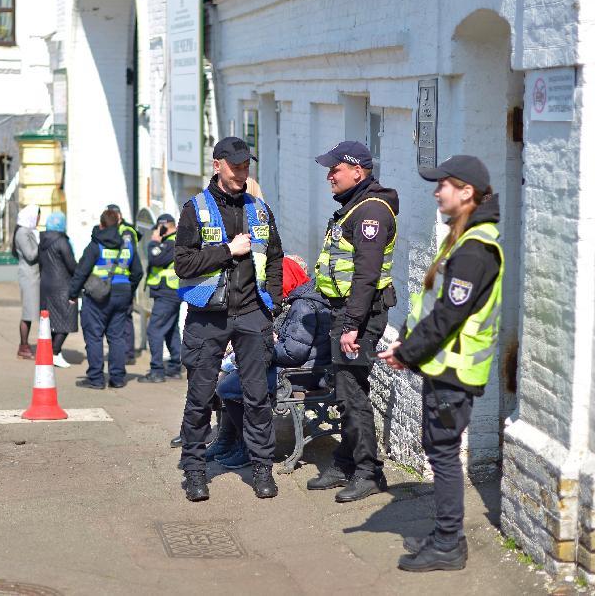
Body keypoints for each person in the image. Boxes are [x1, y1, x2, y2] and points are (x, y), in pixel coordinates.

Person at [378, 155, 503, 572]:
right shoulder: (464, 237)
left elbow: (449, 315)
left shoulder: (475, 249)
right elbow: (435, 308)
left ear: (466, 191)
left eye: (443, 184)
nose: (436, 191)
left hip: (456, 374)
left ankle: (449, 544)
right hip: (444, 368)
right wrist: (411, 352)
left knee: (444, 456)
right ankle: (444, 535)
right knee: (439, 452)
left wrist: (406, 352)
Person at [175, 136, 284, 502]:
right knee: (201, 398)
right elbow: (183, 264)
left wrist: (276, 301)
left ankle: (262, 469)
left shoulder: (259, 209)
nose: (242, 173)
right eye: (235, 166)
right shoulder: (196, 210)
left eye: (246, 167)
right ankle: (194, 472)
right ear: (217, 164)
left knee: (257, 397)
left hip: (253, 314)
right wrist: (227, 251)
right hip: (209, 315)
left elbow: (275, 257)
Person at [307, 141, 398, 503]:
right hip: (345, 311)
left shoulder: (371, 212)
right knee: (346, 392)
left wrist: (352, 325)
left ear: (357, 171)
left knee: (352, 394)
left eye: (336, 169)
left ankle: (368, 471)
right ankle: (346, 461)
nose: (330, 176)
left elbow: (366, 275)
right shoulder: (354, 207)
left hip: (359, 314)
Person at [209, 256, 331, 469]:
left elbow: (293, 353)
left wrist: (263, 346)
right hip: (301, 368)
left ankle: (250, 446)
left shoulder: (302, 305)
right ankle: (230, 441)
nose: (271, 288)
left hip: (299, 373)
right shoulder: (304, 298)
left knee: (228, 387)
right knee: (232, 375)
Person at [69, 209, 143, 389]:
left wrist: (72, 294)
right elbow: (138, 272)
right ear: (118, 224)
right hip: (122, 293)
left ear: (101, 224)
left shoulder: (96, 245)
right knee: (117, 338)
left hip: (97, 296)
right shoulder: (128, 245)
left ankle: (96, 378)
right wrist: (128, 289)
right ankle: (117, 379)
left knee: (94, 337)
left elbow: (81, 271)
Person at [140, 213, 182, 384]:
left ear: (164, 227)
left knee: (154, 330)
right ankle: (174, 367)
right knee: (171, 329)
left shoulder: (173, 242)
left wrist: (154, 241)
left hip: (168, 293)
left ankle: (157, 371)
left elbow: (155, 258)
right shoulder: (171, 241)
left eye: (158, 228)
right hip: (167, 292)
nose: (155, 232)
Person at [39, 212, 78, 368]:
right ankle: (54, 353)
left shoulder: (42, 240)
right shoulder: (62, 241)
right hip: (62, 285)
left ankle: (54, 351)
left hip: (46, 284)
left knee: (52, 320)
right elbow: (71, 265)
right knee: (66, 319)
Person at [107, 203, 140, 366]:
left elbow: (129, 261)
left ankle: (128, 353)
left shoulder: (126, 232)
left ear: (119, 216)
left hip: (124, 283)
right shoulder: (112, 230)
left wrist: (131, 287)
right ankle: (121, 352)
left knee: (126, 318)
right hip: (114, 284)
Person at [13, 204, 41, 359]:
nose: (38, 219)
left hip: (35, 275)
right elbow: (30, 255)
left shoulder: (30, 231)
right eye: (37, 216)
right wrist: (42, 243)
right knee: (28, 312)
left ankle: (25, 345)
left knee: (31, 312)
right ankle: (23, 346)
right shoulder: (23, 233)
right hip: (29, 276)